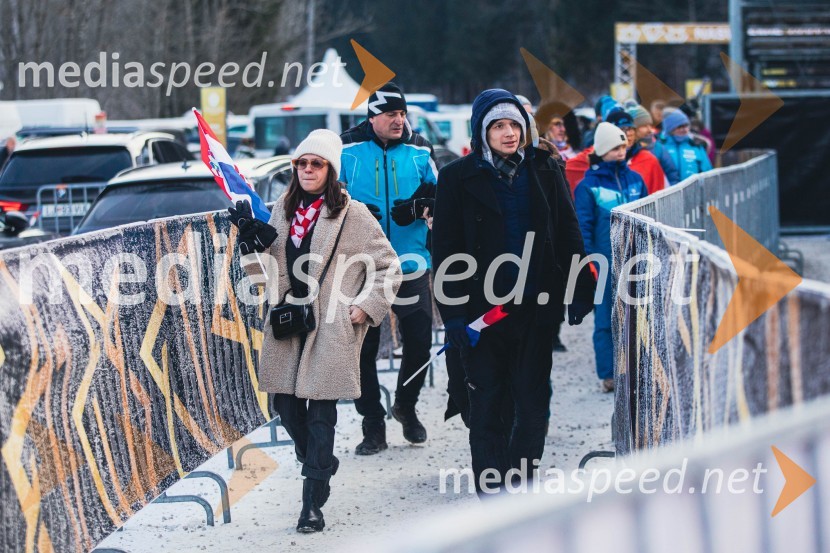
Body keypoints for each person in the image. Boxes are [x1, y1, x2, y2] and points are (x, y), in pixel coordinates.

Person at [231, 129, 402, 532]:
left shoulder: (352, 214)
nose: (308, 169)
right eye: (302, 163)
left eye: (316, 163)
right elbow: (264, 277)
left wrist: (365, 306)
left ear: (330, 170)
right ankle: (320, 464)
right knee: (286, 408)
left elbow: (388, 265)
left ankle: (311, 506)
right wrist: (250, 246)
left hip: (331, 325)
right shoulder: (281, 210)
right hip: (288, 322)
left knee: (322, 413)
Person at [432, 89, 595, 496]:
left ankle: (521, 485)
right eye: (499, 126)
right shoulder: (455, 177)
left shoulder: (545, 168)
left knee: (532, 401)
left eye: (514, 125)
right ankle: (493, 492)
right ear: (482, 131)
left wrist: (579, 287)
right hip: (479, 313)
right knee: (487, 403)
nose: (508, 133)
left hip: (536, 308)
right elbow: (445, 249)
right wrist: (451, 315)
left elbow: (567, 230)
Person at [339, 82, 439, 454]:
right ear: (372, 116)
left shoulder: (420, 148)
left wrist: (420, 205)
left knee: (419, 342)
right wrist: (353, 213)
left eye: (402, 113)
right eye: (391, 114)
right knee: (362, 349)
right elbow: (328, 199)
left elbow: (440, 191)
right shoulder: (347, 148)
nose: (399, 120)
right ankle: (372, 424)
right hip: (363, 266)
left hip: (411, 262)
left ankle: (406, 406)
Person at [574, 122, 649, 393]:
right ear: (603, 150)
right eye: (615, 147)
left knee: (637, 316)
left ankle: (638, 368)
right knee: (605, 319)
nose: (621, 151)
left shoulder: (635, 180)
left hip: (636, 261)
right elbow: (583, 228)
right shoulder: (588, 186)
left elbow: (648, 218)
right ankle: (608, 374)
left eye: (623, 146)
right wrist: (590, 263)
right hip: (604, 263)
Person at [605, 109, 666, 195]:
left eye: (631, 128)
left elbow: (659, 196)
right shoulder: (596, 161)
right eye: (622, 129)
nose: (628, 133)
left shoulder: (649, 160)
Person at [625, 103, 679, 185]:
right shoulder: (623, 150)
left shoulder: (659, 149)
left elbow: (672, 177)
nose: (650, 130)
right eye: (644, 126)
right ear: (633, 128)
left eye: (650, 125)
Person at [653, 109, 713, 183]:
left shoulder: (695, 145)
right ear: (670, 128)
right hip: (667, 192)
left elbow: (707, 172)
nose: (683, 129)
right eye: (679, 126)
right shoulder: (660, 146)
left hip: (693, 192)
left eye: (686, 126)